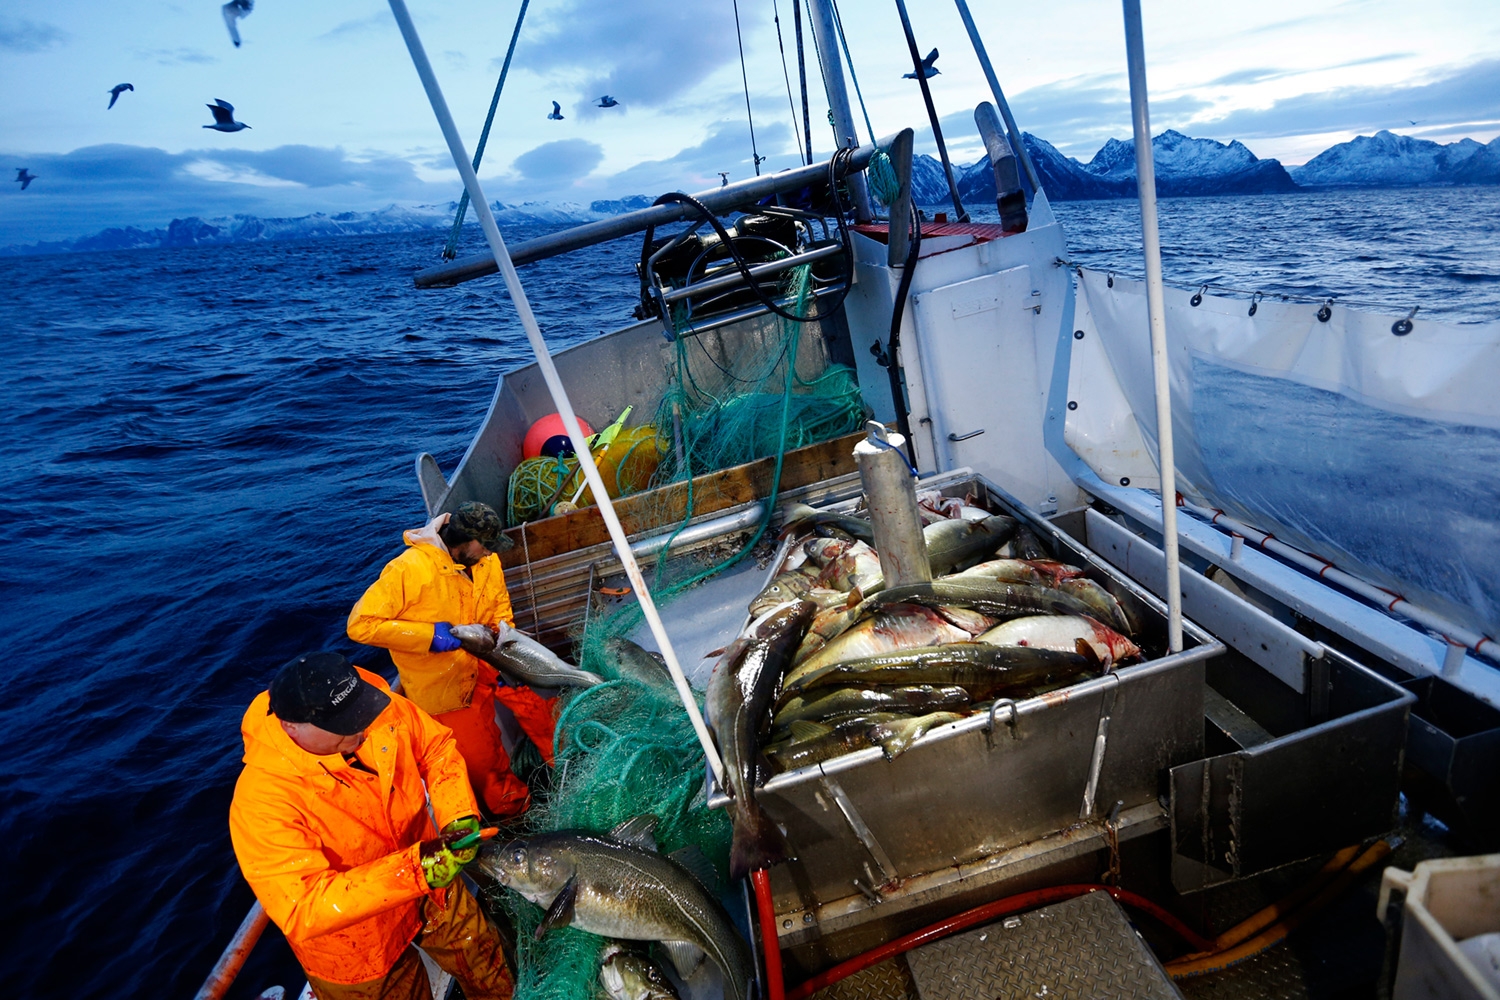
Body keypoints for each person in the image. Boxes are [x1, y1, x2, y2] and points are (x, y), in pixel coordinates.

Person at [229, 652, 513, 1000]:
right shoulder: (261, 801)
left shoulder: (371, 702)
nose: (361, 726)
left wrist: (458, 816)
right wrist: (415, 870)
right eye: (343, 723)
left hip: (433, 885)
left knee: (488, 964)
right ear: (291, 727)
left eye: (360, 711)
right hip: (358, 946)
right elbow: (303, 905)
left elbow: (436, 748)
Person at [347, 501, 556, 819]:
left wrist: (505, 647)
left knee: (538, 704)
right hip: (445, 686)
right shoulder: (409, 569)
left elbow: (499, 605)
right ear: (466, 541)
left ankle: (564, 762)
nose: (489, 553)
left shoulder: (488, 561)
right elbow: (360, 625)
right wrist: (430, 637)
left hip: (490, 658)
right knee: (484, 763)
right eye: (485, 546)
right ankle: (516, 811)